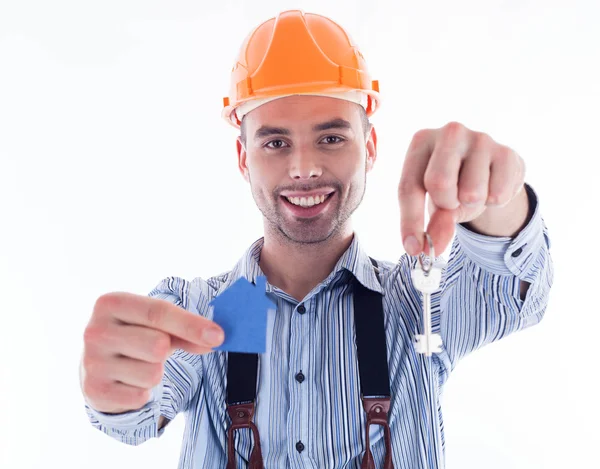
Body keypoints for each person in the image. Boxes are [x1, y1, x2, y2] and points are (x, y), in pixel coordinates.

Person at [80, 9, 554, 469]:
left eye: (330, 138)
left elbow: (508, 292)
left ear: (368, 149)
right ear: (244, 159)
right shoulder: (203, 313)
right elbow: (137, 414)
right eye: (275, 142)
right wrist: (116, 388)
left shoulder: (420, 307)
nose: (303, 167)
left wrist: (494, 195)